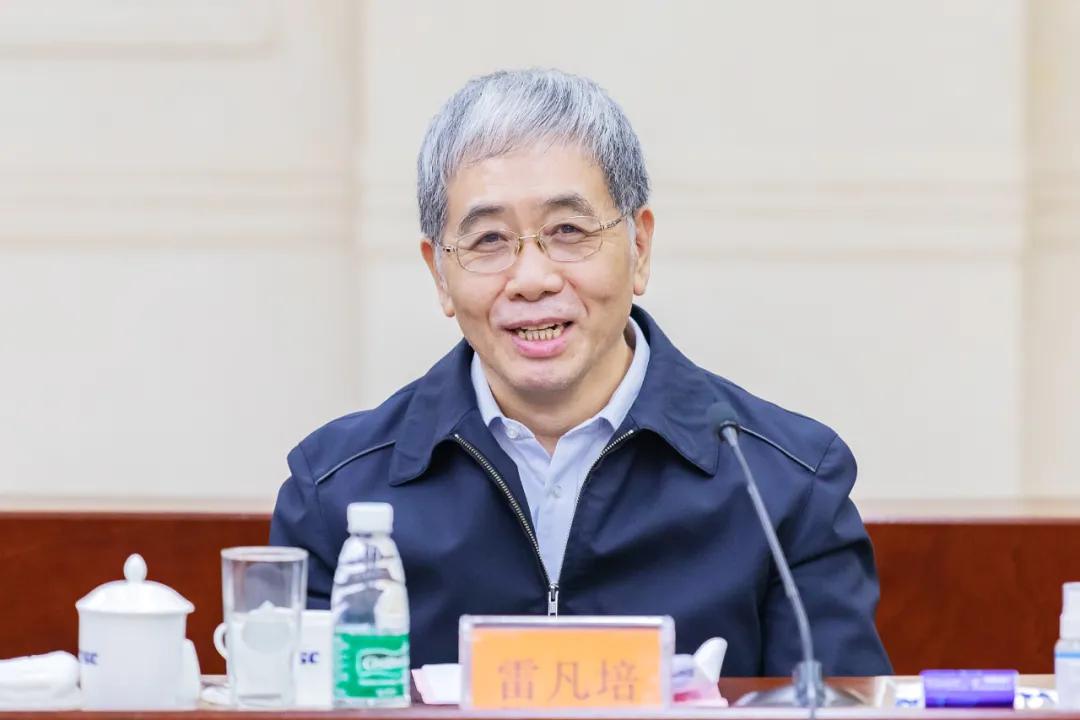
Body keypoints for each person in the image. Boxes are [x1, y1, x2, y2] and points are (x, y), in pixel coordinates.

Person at [270, 68, 892, 676]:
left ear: (639, 248)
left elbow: (837, 706)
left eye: (568, 231)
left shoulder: (785, 484)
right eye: (489, 240)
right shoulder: (336, 491)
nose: (532, 279)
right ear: (440, 274)